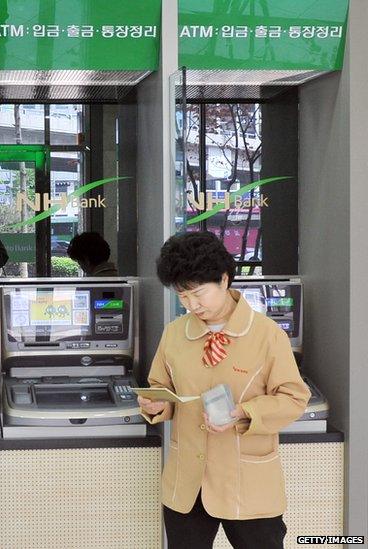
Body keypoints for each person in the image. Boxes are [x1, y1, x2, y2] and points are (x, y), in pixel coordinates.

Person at [138, 231, 309, 549]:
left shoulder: (267, 335)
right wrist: (157, 406)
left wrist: (244, 412)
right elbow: (162, 387)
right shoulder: (175, 334)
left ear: (224, 279)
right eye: (182, 295)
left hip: (248, 482)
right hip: (188, 484)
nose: (191, 304)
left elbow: (293, 397)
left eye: (198, 293)